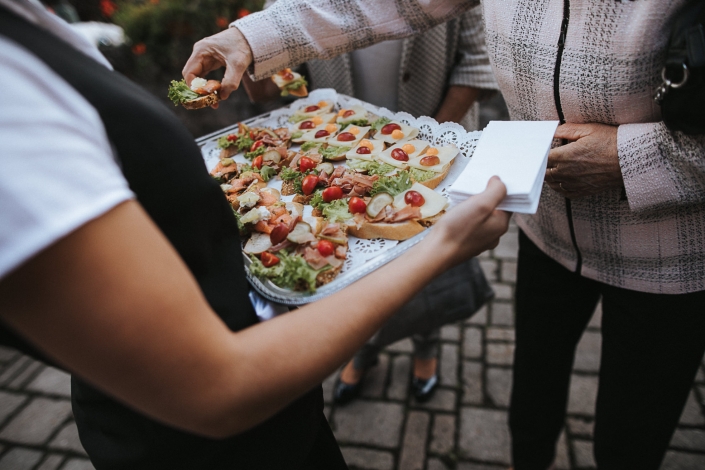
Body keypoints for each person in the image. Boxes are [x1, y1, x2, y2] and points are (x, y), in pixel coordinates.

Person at [183, 1, 705, 469]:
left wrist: (633, 160)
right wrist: (251, 37)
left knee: (630, 442)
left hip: (667, 258)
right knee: (532, 402)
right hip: (543, 229)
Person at [0, 1, 510, 469]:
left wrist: (249, 39)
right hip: (193, 445)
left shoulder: (27, 25)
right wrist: (439, 247)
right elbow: (216, 389)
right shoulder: (13, 100)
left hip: (278, 409)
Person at [247, 1, 498, 404]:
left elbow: (476, 63)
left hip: (433, 143)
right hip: (342, 150)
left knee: (430, 260)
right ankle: (363, 349)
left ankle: (426, 345)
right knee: (357, 271)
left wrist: (424, 143)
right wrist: (258, 70)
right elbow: (285, 78)